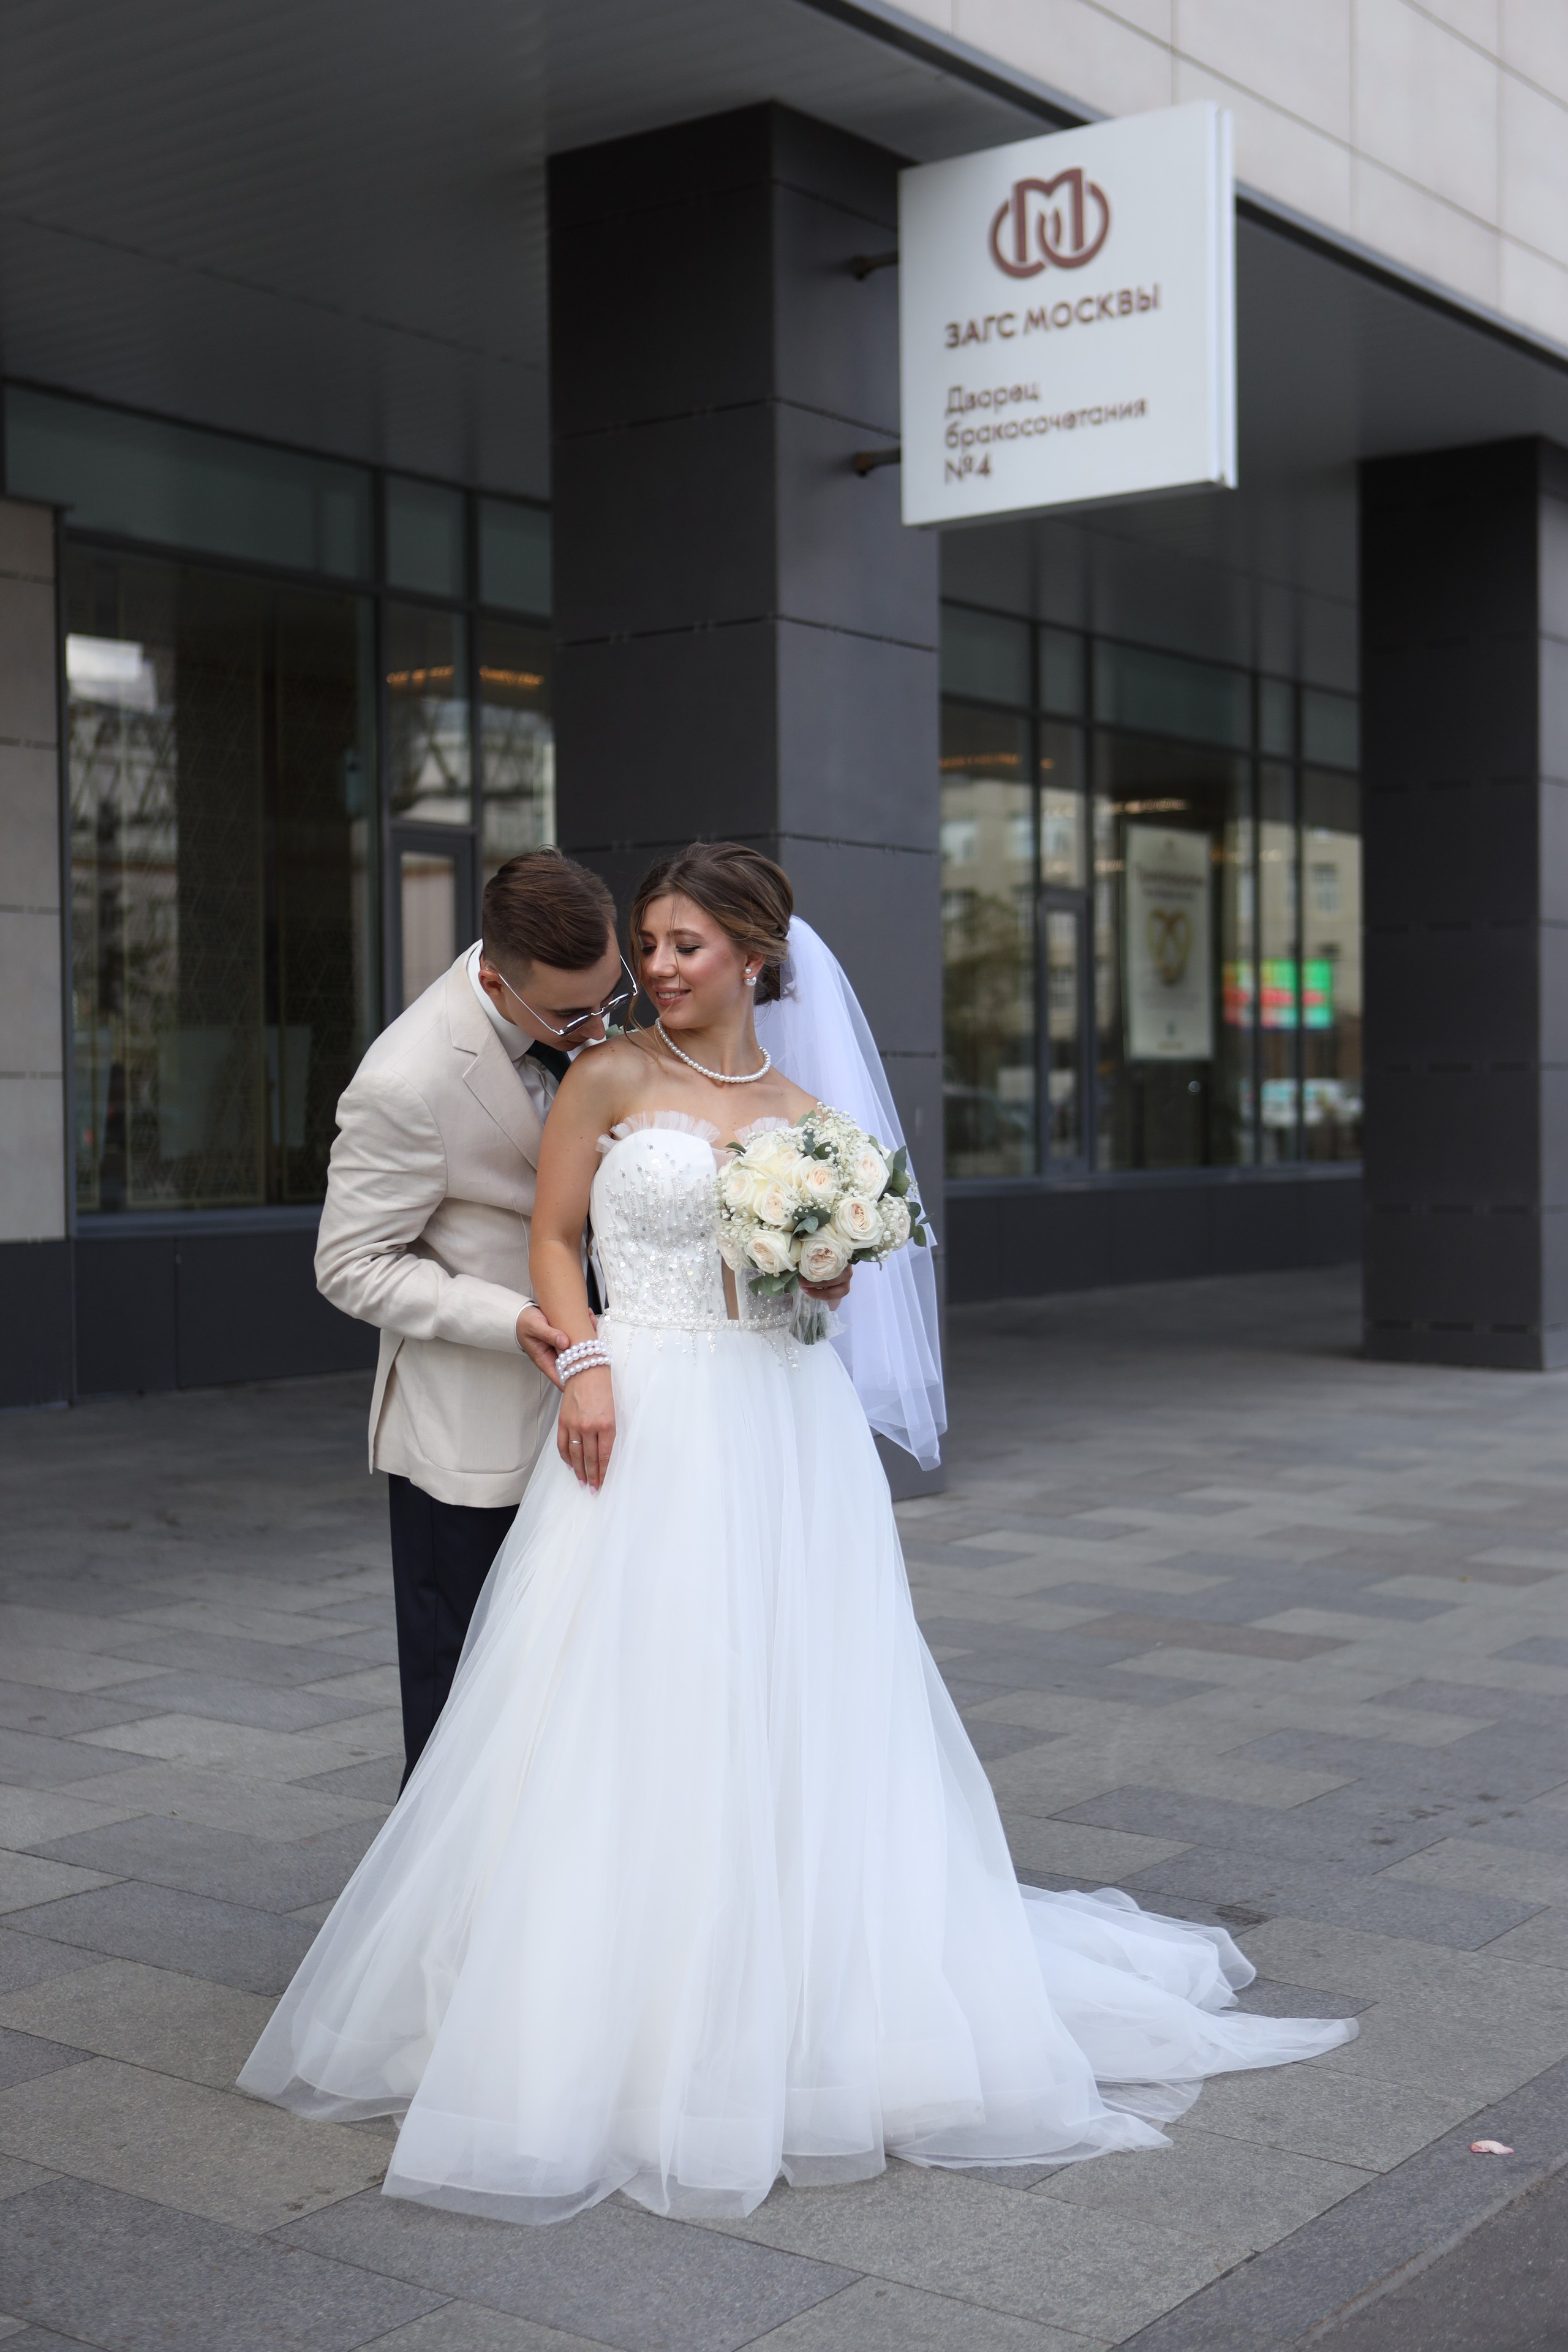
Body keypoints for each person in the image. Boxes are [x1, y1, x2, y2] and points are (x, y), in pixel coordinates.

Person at [242, 840, 1355, 2225]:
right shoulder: (599, 1077)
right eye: (646, 944)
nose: (655, 970)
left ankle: (803, 1983)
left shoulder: (807, 1112)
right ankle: (578, 1988)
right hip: (637, 1409)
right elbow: (546, 1241)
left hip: (782, 1424)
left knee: (801, 1692)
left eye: (681, 945)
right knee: (602, 1697)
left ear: (756, 956)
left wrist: (821, 1257)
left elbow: (822, 1295)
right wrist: (581, 1365)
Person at [313, 847, 626, 1784]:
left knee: (581, 1689)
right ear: (495, 978)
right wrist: (510, 1318)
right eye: (572, 1016)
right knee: (463, 1702)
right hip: (471, 1438)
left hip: (603, 1415)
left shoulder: (595, 1027)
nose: (598, 1030)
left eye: (613, 999)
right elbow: (348, 1265)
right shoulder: (405, 1080)